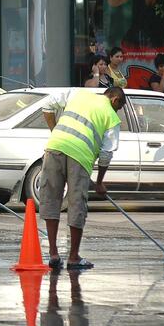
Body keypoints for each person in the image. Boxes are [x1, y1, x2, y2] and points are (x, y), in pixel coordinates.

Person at [41, 87, 126, 270]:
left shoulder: (78, 94)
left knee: (51, 199)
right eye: (118, 108)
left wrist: (55, 131)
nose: (117, 112)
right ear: (115, 100)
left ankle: (54, 254)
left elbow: (47, 105)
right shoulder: (111, 117)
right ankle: (73, 257)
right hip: (80, 157)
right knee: (76, 204)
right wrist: (100, 182)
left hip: (55, 147)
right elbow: (106, 153)